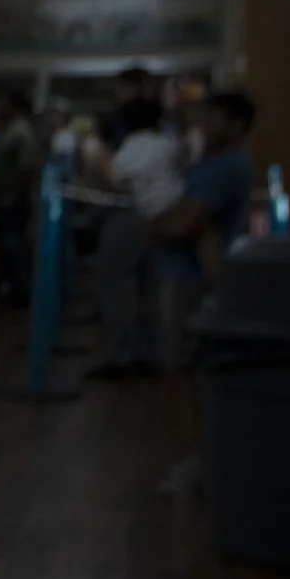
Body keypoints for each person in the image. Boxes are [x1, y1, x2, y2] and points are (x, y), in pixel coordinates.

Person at [150, 90, 257, 364]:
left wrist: (154, 229)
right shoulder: (211, 161)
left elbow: (186, 223)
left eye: (213, 117)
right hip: (184, 275)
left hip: (191, 281)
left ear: (237, 124)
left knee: (182, 366)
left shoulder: (226, 165)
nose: (204, 124)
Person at [87, 96, 179, 381]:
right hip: (166, 219)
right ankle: (151, 354)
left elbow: (114, 179)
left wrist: (97, 155)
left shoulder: (131, 148)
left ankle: (121, 355)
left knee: (113, 286)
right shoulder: (169, 144)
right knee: (150, 288)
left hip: (133, 215)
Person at [0, 88, 43, 310]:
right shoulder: (7, 130)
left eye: (0, 102)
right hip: (2, 199)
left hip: (12, 201)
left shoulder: (20, 132)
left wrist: (18, 197)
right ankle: (10, 289)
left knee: (14, 247)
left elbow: (27, 170)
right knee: (5, 249)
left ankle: (20, 294)